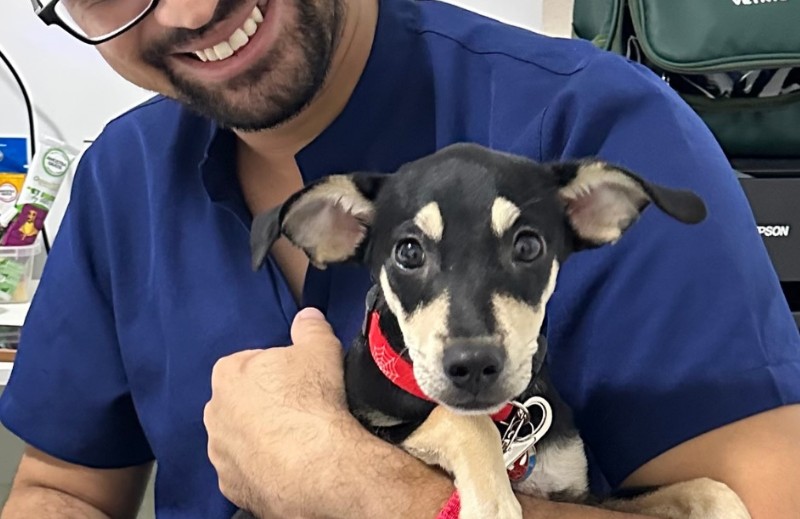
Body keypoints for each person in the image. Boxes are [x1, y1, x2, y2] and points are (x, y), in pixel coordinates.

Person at [1, 0, 799, 517]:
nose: (192, 8)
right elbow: (61, 489)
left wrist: (359, 490)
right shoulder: (122, 177)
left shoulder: (603, 128)